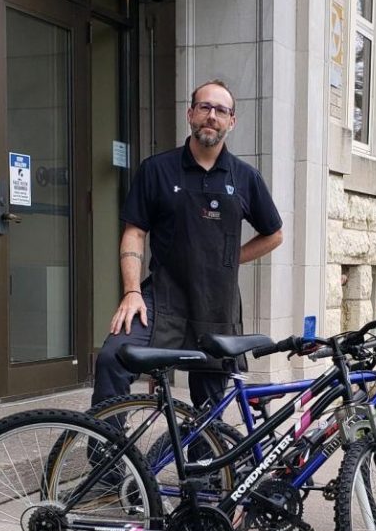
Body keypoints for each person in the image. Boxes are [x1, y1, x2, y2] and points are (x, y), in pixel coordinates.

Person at [92, 79, 283, 410]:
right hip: (161, 300)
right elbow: (134, 232)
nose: (212, 116)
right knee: (113, 358)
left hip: (216, 306)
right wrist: (132, 291)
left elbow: (274, 233)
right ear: (190, 114)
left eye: (221, 110)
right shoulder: (157, 169)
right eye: (205, 107)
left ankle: (202, 463)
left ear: (231, 121)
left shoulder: (245, 178)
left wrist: (230, 258)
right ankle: (107, 457)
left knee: (208, 414)